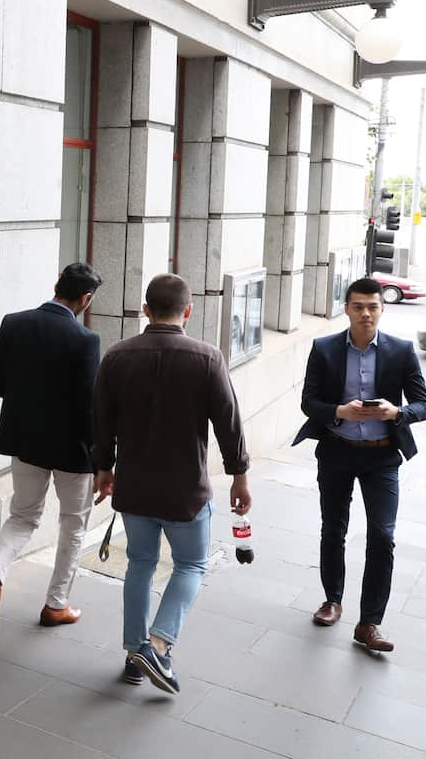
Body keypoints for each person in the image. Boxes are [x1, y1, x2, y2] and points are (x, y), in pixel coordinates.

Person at [92, 274, 251, 694]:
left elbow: (101, 422)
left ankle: (132, 655)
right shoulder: (207, 357)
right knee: (190, 565)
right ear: (189, 310)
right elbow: (228, 425)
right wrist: (239, 475)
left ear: (146, 309)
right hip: (187, 489)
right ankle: (158, 644)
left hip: (135, 486)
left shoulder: (117, 356)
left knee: (140, 565)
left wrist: (104, 468)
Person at [292, 277, 426, 652]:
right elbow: (309, 402)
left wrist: (397, 411)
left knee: (383, 536)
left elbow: (424, 404)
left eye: (372, 307)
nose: (366, 314)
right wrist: (339, 411)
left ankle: (369, 623)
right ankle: (332, 600)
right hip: (337, 449)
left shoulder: (401, 351)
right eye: (358, 307)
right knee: (332, 528)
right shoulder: (324, 348)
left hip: (382, 455)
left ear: (381, 309)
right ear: (347, 309)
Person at [0, 262, 103, 631]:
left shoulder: (15, 322)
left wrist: (28, 403)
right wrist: (101, 458)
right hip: (71, 449)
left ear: (56, 284)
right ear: (86, 298)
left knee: (23, 516)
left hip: (25, 440)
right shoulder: (85, 340)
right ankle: (55, 605)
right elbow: (87, 405)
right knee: (73, 525)